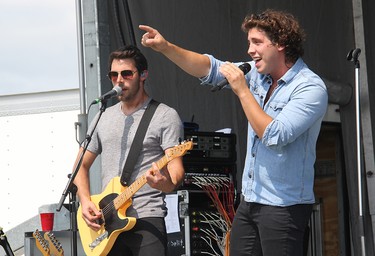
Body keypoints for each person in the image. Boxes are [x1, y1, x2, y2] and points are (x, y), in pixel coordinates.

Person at [139, 9, 328, 256]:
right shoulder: (259, 75)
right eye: (249, 42)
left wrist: (242, 91)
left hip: (284, 206)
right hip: (250, 201)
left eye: (257, 42)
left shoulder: (310, 88)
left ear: (280, 44)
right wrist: (165, 47)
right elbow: (210, 67)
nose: (250, 50)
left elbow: (273, 135)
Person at [73, 45, 185, 256]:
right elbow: (80, 166)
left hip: (147, 218)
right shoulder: (101, 116)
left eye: (126, 74)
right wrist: (86, 200)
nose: (119, 80)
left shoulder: (165, 116)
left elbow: (177, 171)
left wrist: (165, 182)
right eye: (113, 75)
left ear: (143, 75)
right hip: (108, 221)